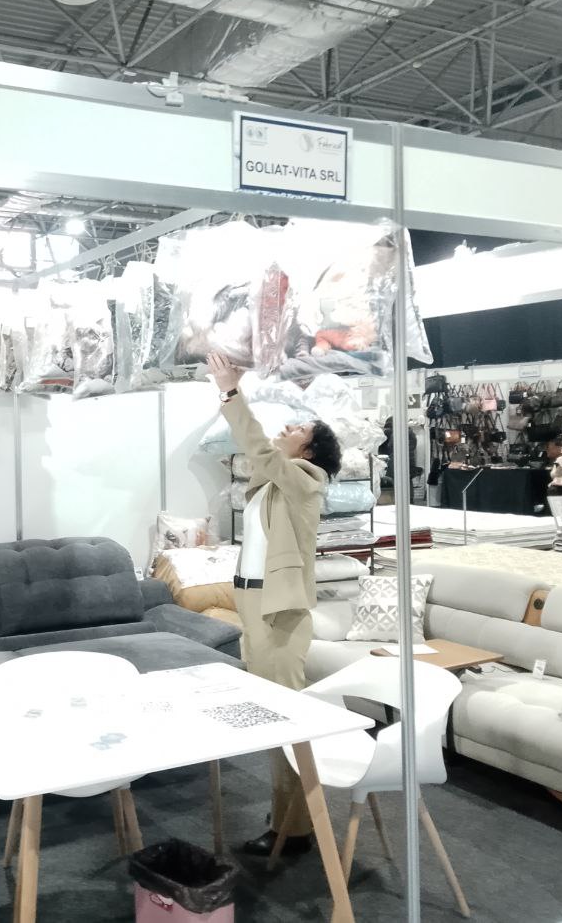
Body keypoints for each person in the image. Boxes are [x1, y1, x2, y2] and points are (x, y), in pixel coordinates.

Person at [205, 352, 342, 857]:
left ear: (310, 449)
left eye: (298, 428)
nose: (288, 428)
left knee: (285, 719)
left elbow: (259, 448)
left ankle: (297, 828)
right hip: (253, 602)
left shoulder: (306, 480)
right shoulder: (274, 483)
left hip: (278, 612)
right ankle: (289, 816)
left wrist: (230, 391)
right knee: (271, 716)